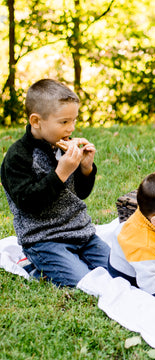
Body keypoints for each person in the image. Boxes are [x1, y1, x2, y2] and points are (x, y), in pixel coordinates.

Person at [0, 78, 110, 287]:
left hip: (81, 233)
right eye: (64, 122)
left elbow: (80, 193)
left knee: (117, 270)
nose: (71, 128)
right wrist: (60, 173)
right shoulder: (18, 157)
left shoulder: (62, 146)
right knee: (84, 283)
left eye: (74, 120)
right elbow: (28, 203)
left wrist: (86, 169)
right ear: (36, 121)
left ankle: (65, 261)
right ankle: (33, 265)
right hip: (44, 240)